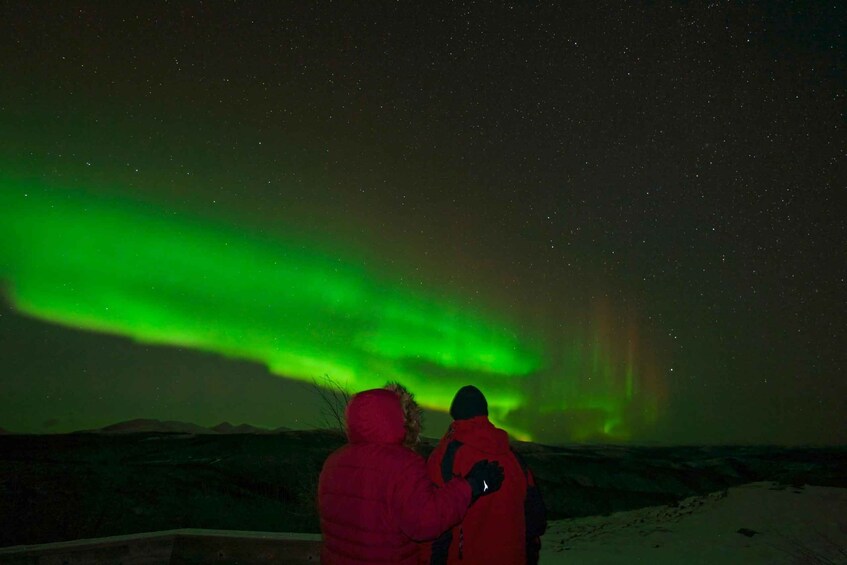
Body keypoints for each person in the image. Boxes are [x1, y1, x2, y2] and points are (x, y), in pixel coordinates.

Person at [318, 387, 506, 564]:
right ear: (396, 418)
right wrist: (471, 485)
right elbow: (425, 523)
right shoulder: (403, 464)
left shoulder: (333, 462)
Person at [424, 385, 547, 565]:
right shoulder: (514, 458)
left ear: (455, 413)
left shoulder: (444, 458)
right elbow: (536, 520)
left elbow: (433, 520)